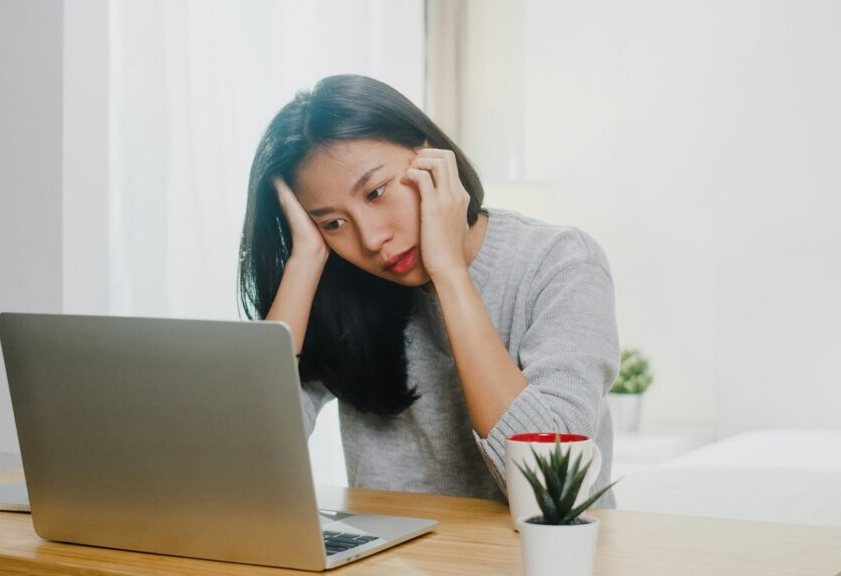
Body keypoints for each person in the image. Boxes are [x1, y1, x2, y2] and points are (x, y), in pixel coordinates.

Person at [238, 74, 620, 507]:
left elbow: (551, 488)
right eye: (333, 223)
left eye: (376, 192)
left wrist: (450, 273)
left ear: (430, 157)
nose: (369, 239)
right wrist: (305, 260)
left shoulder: (561, 264)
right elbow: (242, 467)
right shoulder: (343, 284)